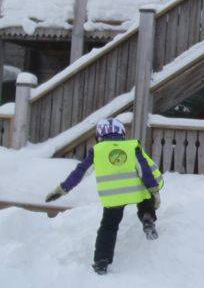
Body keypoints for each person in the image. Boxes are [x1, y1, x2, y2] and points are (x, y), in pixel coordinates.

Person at [44, 117, 164, 275]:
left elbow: (80, 172)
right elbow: (144, 169)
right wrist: (154, 190)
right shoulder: (132, 146)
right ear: (122, 133)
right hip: (134, 191)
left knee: (109, 226)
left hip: (113, 197)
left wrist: (63, 188)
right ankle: (147, 218)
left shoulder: (97, 151)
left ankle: (101, 261)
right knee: (145, 200)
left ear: (99, 135)